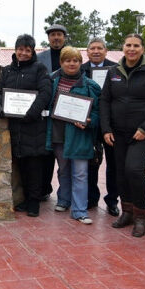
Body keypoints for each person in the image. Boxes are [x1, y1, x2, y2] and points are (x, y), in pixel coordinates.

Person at [100, 34, 145, 237]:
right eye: (128, 45)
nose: (132, 49)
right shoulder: (113, 71)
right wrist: (106, 128)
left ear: (142, 48)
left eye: (136, 46)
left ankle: (141, 215)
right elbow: (104, 100)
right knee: (120, 171)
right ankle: (127, 211)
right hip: (117, 132)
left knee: (134, 170)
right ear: (123, 47)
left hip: (143, 133)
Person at [0, 34, 52, 217]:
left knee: (33, 165)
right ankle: (26, 199)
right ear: (15, 49)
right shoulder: (7, 71)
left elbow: (45, 93)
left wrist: (30, 113)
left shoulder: (40, 69)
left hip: (33, 125)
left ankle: (34, 202)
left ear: (32, 51)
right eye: (20, 49)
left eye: (27, 50)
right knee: (22, 165)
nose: (23, 53)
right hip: (15, 127)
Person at [45, 46, 101, 224]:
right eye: (67, 60)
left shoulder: (90, 85)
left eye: (75, 60)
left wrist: (89, 120)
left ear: (80, 62)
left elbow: (100, 112)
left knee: (81, 173)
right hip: (58, 133)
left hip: (80, 135)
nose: (72, 63)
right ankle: (64, 199)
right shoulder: (52, 81)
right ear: (61, 62)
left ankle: (79, 210)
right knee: (63, 169)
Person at [80, 37, 119, 216]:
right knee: (91, 162)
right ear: (87, 52)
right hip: (89, 123)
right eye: (92, 48)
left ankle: (112, 200)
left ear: (106, 50)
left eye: (99, 48)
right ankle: (91, 197)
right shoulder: (81, 70)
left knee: (113, 164)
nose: (96, 51)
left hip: (113, 123)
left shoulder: (117, 69)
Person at [36, 23, 67, 201]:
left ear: (64, 37)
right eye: (53, 35)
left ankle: (65, 193)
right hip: (45, 112)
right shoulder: (40, 58)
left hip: (66, 113)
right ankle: (44, 189)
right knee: (46, 154)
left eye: (59, 35)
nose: (56, 37)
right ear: (48, 38)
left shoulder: (71, 57)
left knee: (64, 156)